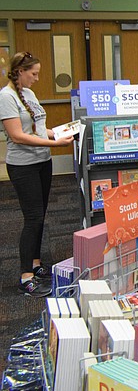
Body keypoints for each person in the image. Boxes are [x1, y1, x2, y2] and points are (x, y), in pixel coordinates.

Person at [0, 52, 73, 297]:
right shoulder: (6, 97)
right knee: (32, 218)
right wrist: (56, 145)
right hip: (23, 166)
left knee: (40, 216)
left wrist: (61, 132)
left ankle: (35, 264)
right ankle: (25, 277)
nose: (37, 78)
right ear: (20, 71)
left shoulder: (28, 94)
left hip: (42, 162)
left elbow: (40, 129)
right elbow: (18, 135)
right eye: (33, 73)